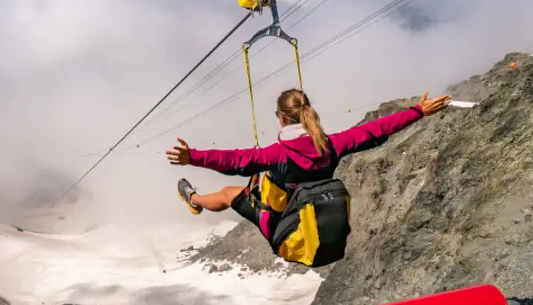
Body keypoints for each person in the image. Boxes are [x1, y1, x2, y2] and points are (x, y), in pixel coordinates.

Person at [166, 88, 451, 267]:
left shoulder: (277, 154)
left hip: (283, 227)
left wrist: (193, 157)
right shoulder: (332, 144)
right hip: (317, 216)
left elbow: (236, 161)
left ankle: (194, 199)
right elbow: (376, 130)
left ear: (281, 119)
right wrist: (417, 112)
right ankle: (195, 199)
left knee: (231, 193)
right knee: (238, 189)